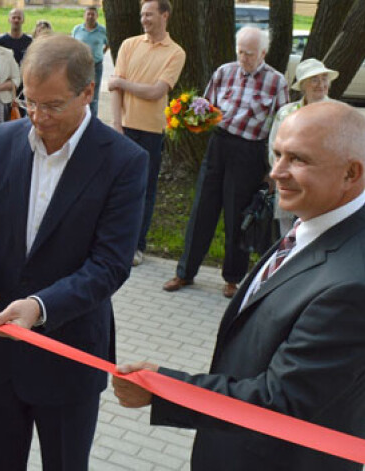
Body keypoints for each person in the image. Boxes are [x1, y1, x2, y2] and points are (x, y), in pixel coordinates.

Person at [114, 100, 365, 471]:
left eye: (298, 159)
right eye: (277, 153)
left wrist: (164, 389)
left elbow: (281, 401)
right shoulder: (315, 220)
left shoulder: (352, 283)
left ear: (351, 173)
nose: (276, 172)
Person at [0, 34, 147, 471]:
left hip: (70, 358)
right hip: (1, 354)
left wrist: (40, 307)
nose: (38, 117)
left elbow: (110, 265)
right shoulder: (3, 139)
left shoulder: (124, 161)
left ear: (87, 93)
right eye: (30, 100)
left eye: (53, 105)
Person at [163, 26, 288, 298]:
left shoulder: (276, 82)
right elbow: (207, 106)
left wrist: (274, 169)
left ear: (263, 53)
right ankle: (185, 272)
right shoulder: (224, 72)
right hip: (218, 145)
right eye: (241, 52)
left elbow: (282, 127)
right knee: (201, 211)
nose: (244, 58)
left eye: (250, 53)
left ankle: (232, 278)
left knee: (237, 216)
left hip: (249, 152)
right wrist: (191, 117)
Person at [109, 0, 185, 266]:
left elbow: (156, 92)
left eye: (149, 14)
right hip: (124, 129)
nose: (144, 19)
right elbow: (114, 90)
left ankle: (136, 246)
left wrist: (121, 82)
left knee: (145, 190)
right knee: (116, 188)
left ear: (165, 15)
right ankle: (112, 241)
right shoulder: (129, 45)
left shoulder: (176, 52)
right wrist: (117, 126)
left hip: (152, 132)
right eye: (142, 14)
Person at [268, 58, 338, 235]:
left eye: (324, 78)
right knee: (288, 239)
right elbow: (273, 149)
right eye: (314, 79)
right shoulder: (286, 113)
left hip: (324, 189)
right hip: (290, 185)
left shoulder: (338, 113)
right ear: (303, 85)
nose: (321, 84)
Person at [72, 6, 108, 117]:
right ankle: (79, 117)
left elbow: (108, 43)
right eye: (88, 14)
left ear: (97, 16)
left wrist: (101, 53)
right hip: (80, 66)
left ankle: (92, 119)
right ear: (84, 16)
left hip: (96, 66)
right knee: (78, 92)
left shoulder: (102, 31)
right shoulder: (77, 29)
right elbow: (73, 45)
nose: (90, 17)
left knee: (93, 96)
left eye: (93, 14)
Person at [0, 8, 32, 118]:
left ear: (23, 20)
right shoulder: (1, 41)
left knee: (20, 117)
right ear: (9, 19)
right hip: (4, 85)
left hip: (23, 87)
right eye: (14, 17)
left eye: (19, 17)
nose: (16, 20)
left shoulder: (29, 42)